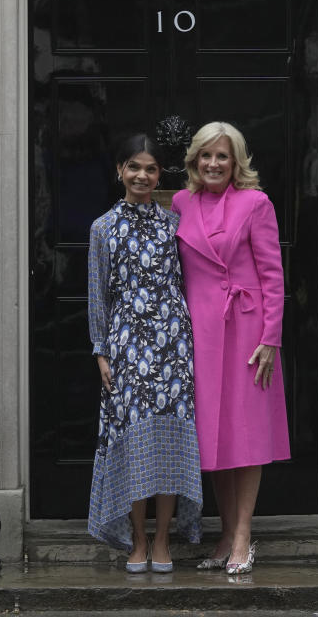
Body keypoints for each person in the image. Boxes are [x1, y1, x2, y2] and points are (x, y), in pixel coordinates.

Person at [171, 121, 290, 575]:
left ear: (236, 161)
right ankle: (223, 533)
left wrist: (270, 338)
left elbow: (273, 275)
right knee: (213, 438)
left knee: (247, 435)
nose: (213, 164)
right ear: (194, 161)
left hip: (247, 333)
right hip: (199, 331)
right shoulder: (181, 202)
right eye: (206, 155)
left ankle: (243, 536)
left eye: (222, 156)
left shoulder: (256, 203)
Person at [87, 133, 202, 573]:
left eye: (150, 168)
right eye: (133, 166)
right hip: (126, 346)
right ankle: (137, 539)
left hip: (173, 344)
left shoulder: (174, 224)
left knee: (170, 441)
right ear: (120, 170)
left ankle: (162, 540)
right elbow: (97, 295)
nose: (141, 175)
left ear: (159, 176)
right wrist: (101, 352)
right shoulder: (102, 228)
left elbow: (192, 281)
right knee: (136, 445)